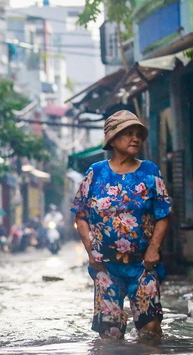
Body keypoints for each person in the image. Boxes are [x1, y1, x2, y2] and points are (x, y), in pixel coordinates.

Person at [71, 110, 172, 341]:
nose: (135, 138)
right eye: (128, 133)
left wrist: (154, 248)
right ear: (113, 139)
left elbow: (163, 214)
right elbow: (81, 215)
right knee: (110, 337)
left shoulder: (150, 171)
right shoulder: (95, 173)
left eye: (138, 134)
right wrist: (91, 252)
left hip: (143, 266)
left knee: (151, 332)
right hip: (106, 268)